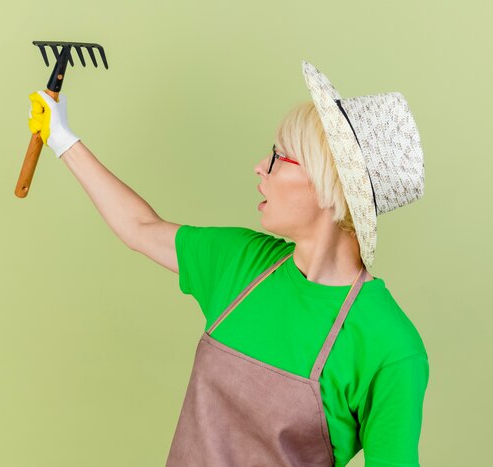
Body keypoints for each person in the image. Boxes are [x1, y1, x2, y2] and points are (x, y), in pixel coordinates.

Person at [27, 60, 429, 467]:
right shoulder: (242, 263)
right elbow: (140, 226)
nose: (260, 166)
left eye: (279, 156)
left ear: (329, 185)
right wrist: (61, 138)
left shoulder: (390, 347)